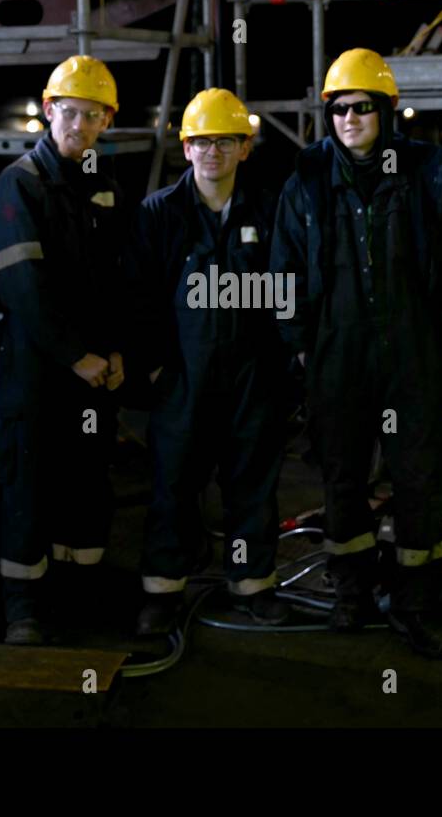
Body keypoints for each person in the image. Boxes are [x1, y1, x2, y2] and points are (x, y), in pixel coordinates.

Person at [271, 48, 442, 658]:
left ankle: (414, 604)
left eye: (362, 107)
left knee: (418, 478)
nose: (350, 118)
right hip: (338, 355)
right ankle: (351, 591)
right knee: (342, 478)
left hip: (410, 353)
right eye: (339, 109)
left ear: (385, 111)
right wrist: (301, 343)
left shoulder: (423, 171)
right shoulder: (305, 180)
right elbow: (284, 271)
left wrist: (440, 336)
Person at [125, 88, 291, 634]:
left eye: (225, 141)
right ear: (186, 149)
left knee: (250, 482)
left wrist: (281, 367)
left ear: (245, 148)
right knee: (173, 481)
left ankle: (252, 585)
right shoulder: (160, 212)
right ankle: (162, 591)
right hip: (183, 376)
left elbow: (284, 291)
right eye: (202, 142)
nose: (212, 152)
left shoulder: (269, 209)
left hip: (252, 375)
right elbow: (141, 299)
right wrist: (154, 369)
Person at [0, 55, 129, 645]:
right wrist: (79, 355)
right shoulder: (17, 184)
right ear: (49, 112)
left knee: (86, 482)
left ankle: (81, 598)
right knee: (30, 485)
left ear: (105, 122)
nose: (81, 125)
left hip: (93, 373)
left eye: (93, 116)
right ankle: (24, 608)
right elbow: (25, 289)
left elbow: (123, 277)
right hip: (36, 373)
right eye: (70, 112)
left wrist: (118, 349)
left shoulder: (103, 185)